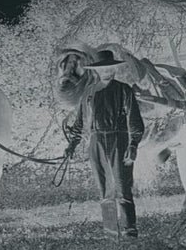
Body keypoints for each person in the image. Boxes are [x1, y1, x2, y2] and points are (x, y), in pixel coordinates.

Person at [59, 47, 147, 236]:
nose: (107, 71)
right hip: (96, 141)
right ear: (96, 70)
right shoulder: (89, 92)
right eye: (103, 68)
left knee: (123, 189)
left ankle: (129, 231)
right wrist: (71, 145)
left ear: (114, 69)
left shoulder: (124, 89)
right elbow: (79, 124)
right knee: (105, 191)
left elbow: (136, 123)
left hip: (120, 139)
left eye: (110, 67)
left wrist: (133, 146)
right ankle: (111, 232)